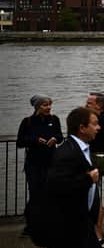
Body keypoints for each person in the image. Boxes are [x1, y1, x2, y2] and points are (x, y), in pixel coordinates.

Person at [46, 107, 101, 248]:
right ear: (82, 128)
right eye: (94, 124)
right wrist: (88, 179)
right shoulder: (65, 153)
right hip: (70, 225)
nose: (98, 128)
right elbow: (57, 186)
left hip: (83, 221)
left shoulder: (83, 148)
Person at [16, 95, 63, 238]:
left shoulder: (54, 120)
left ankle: (48, 223)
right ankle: (30, 226)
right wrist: (35, 140)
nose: (48, 107)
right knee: (36, 194)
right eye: (45, 105)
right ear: (37, 107)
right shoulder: (27, 122)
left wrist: (56, 139)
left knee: (50, 193)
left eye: (49, 104)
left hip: (51, 163)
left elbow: (60, 136)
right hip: (34, 165)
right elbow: (20, 142)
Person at [86, 92, 104, 248]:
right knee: (92, 196)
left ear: (98, 106)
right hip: (97, 158)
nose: (86, 105)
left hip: (95, 159)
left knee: (94, 197)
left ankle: (98, 234)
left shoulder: (99, 121)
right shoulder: (100, 118)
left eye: (89, 103)